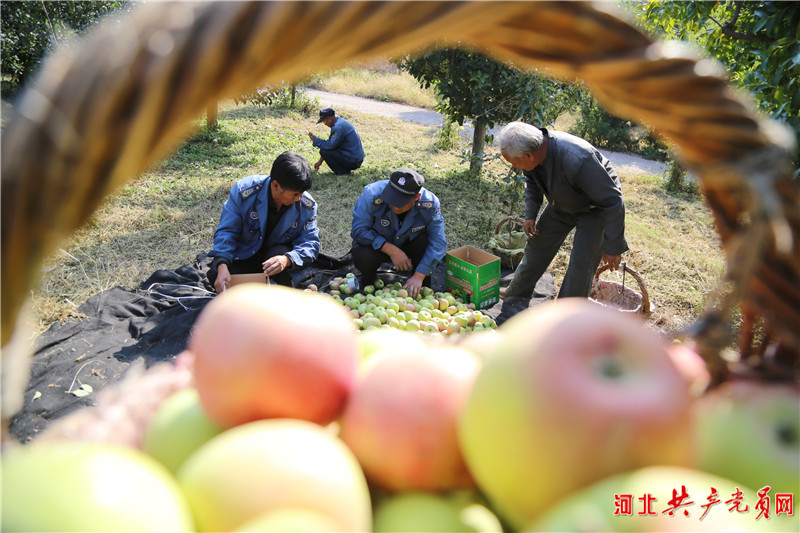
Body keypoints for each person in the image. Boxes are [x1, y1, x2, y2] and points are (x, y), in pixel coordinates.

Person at [497, 121, 628, 300]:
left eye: (514, 163)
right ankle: (517, 292)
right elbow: (532, 182)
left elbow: (613, 201)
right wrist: (530, 215)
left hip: (594, 208)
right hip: (561, 201)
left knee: (581, 265)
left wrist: (613, 246)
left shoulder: (578, 158)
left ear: (528, 156)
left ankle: (566, 315)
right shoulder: (532, 155)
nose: (514, 167)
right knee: (537, 245)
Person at [208, 152, 320, 292]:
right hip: (244, 254)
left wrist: (287, 259)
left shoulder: (306, 205)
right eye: (295, 194)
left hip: (275, 259)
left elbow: (311, 243)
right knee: (217, 274)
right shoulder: (244, 192)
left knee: (286, 270)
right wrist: (222, 264)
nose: (299, 198)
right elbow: (227, 231)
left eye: (301, 193)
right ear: (275, 186)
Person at [351, 168, 446, 298]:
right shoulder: (372, 195)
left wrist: (420, 274)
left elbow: (438, 243)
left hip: (408, 245)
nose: (394, 205)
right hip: (378, 247)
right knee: (362, 255)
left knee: (424, 241)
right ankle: (369, 282)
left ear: (416, 197)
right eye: (392, 199)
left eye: (401, 203)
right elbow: (359, 230)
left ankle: (419, 285)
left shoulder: (429, 204)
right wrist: (391, 250)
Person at [308, 108, 365, 175]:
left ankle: (343, 172)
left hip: (353, 160)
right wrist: (319, 162)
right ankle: (344, 170)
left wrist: (315, 140)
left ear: (329, 118)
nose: (325, 124)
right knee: (325, 150)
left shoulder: (338, 127)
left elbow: (330, 146)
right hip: (355, 158)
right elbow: (331, 145)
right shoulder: (339, 122)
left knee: (323, 151)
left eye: (324, 121)